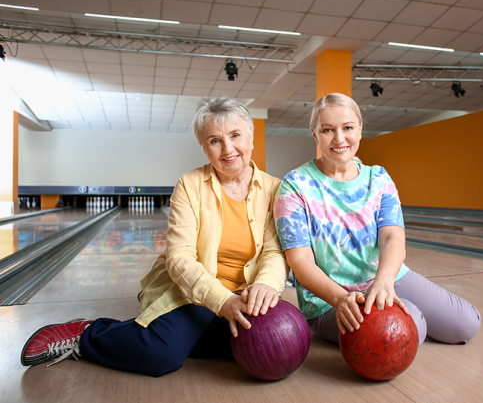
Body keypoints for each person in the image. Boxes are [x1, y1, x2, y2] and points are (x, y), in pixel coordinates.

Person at [21, 96, 289, 377]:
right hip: (192, 291)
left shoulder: (276, 189)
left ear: (251, 137)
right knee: (160, 356)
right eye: (214, 140)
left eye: (235, 135)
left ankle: (177, 336)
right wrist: (222, 302)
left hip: (244, 292)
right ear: (204, 147)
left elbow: (274, 251)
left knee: (270, 344)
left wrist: (267, 285)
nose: (228, 148)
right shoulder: (190, 185)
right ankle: (88, 334)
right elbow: (180, 258)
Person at [274, 93, 480, 346]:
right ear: (315, 134)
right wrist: (340, 299)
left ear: (360, 129)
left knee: (466, 324)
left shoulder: (379, 179)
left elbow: (393, 236)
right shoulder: (294, 186)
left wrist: (383, 283)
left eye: (348, 127)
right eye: (328, 130)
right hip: (330, 300)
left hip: (384, 277)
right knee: (408, 323)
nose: (339, 138)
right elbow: (300, 260)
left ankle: (397, 313)